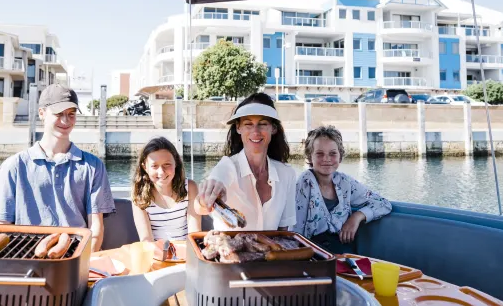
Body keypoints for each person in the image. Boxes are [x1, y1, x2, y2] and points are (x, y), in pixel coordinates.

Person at [0, 84, 115, 252]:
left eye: (71, 114)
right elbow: (3, 226)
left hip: (77, 253)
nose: (66, 121)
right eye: (59, 114)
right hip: (25, 253)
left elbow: (96, 226)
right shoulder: (13, 166)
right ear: (42, 113)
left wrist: (86, 262)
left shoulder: (93, 166)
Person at [196, 92, 297, 231]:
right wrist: (204, 198)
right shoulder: (227, 166)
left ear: (273, 128)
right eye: (248, 124)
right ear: (238, 128)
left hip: (272, 251)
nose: (255, 131)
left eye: (262, 124)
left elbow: (283, 231)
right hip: (229, 250)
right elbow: (200, 206)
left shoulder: (287, 174)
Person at [293, 125, 392, 253]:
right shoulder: (305, 183)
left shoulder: (345, 183)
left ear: (340, 156)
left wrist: (356, 217)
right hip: (312, 252)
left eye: (333, 153)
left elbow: (383, 204)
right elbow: (296, 231)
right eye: (319, 154)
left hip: (343, 250)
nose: (326, 159)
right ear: (310, 156)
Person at [131, 137, 201, 241]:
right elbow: (146, 240)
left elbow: (194, 234)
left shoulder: (190, 187)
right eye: (154, 166)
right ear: (145, 167)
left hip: (186, 251)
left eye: (167, 164)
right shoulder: (139, 194)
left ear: (176, 163)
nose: (161, 172)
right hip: (155, 254)